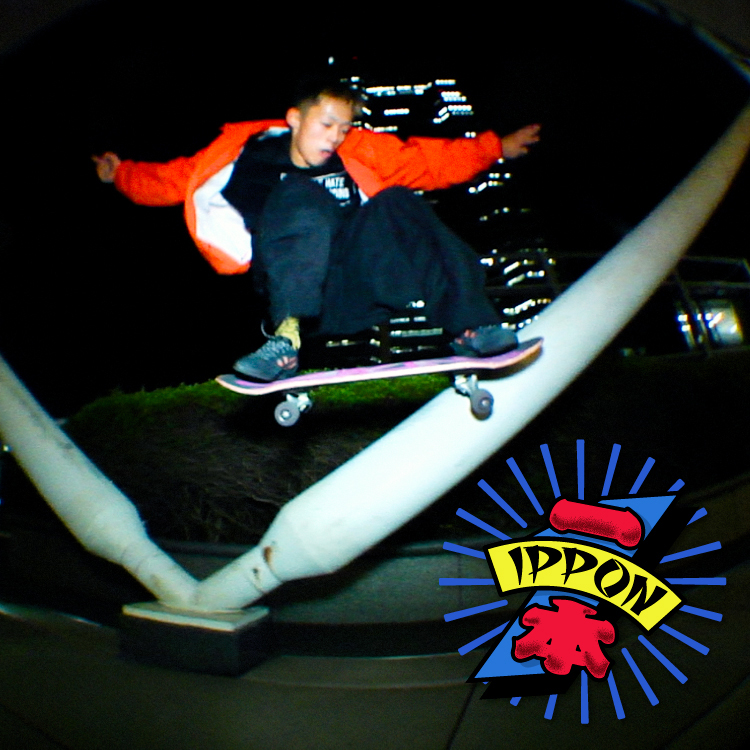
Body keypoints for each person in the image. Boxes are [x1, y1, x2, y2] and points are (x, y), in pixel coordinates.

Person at [93, 76, 540, 381]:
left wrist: (495, 147)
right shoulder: (241, 155)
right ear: (294, 118)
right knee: (297, 194)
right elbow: (170, 180)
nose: (334, 138)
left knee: (398, 200)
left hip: (360, 285)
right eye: (326, 125)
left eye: (343, 129)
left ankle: (472, 328)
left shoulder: (356, 151)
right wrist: (121, 175)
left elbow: (425, 162)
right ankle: (283, 343)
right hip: (295, 292)